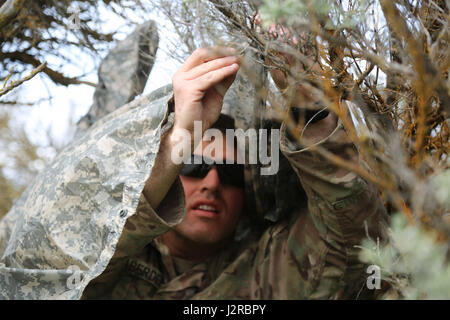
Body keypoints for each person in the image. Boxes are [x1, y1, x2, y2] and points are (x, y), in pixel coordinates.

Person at [0, 44, 387, 299]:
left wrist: (306, 102)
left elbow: (355, 238)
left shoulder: (262, 268)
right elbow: (37, 282)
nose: (213, 182)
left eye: (232, 172)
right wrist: (176, 141)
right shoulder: (109, 255)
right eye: (194, 164)